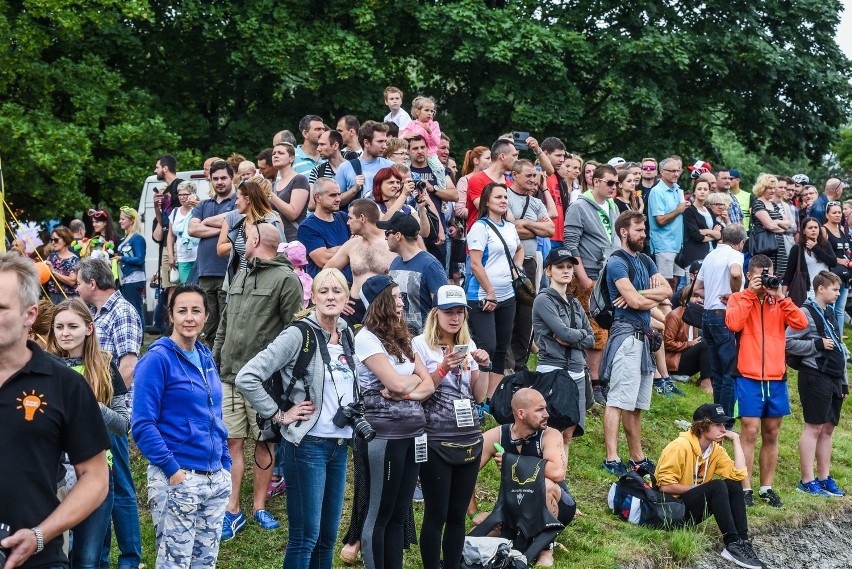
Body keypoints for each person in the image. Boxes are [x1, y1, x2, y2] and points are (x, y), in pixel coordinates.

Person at [235, 268, 357, 569]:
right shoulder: (298, 333)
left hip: (339, 445)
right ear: (312, 297)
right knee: (305, 536)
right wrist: (279, 415)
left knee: (328, 536)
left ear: (346, 297)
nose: (330, 297)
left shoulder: (348, 332)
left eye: (337, 291)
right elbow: (247, 377)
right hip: (307, 446)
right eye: (323, 291)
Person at [0, 253, 110, 569]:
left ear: (30, 314)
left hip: (36, 557)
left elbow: (95, 477)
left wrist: (39, 535)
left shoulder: (65, 384)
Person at [213, 222, 303, 539]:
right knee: (231, 442)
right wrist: (215, 358)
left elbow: (297, 333)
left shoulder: (286, 280)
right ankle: (232, 509)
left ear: (255, 240)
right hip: (227, 376)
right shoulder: (240, 272)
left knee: (263, 443)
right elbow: (225, 320)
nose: (241, 242)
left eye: (245, 237)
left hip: (265, 381)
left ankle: (259, 507)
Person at [132, 284, 231, 568]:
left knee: (204, 564)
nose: (189, 318)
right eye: (182, 311)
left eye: (196, 311)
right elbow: (142, 424)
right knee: (174, 565)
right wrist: (173, 471)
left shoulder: (206, 356)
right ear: (171, 316)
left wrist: (224, 463)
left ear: (206, 316)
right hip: (177, 479)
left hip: (214, 478)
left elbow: (215, 414)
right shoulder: (157, 359)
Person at [355, 275, 434, 569]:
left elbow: (427, 386)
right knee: (381, 512)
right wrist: (409, 384)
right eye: (397, 296)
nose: (402, 302)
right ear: (382, 301)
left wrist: (406, 386)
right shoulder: (366, 338)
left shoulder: (405, 337)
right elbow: (395, 383)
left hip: (413, 432)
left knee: (400, 513)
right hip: (384, 433)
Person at [46, 299, 130, 569]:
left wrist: (93, 408)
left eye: (72, 326)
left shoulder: (104, 367)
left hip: (95, 474)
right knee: (57, 557)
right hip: (52, 475)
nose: (65, 333)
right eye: (59, 327)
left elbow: (124, 424)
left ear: (89, 328)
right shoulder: (45, 369)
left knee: (88, 558)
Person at [411, 285, 489, 569]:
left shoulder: (468, 346)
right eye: (448, 312)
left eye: (459, 312)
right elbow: (419, 391)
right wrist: (443, 367)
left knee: (457, 515)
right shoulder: (419, 345)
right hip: (435, 440)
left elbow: (479, 396)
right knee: (437, 513)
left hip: (469, 438)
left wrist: (485, 365)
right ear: (436, 313)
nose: (454, 318)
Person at [75, 256, 143, 569]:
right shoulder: (94, 313)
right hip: (92, 414)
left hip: (110, 414)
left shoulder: (123, 312)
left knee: (122, 488)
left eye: (78, 282)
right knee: (99, 487)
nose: (74, 287)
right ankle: (101, 558)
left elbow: (127, 368)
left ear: (92, 283)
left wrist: (102, 407)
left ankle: (130, 558)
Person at [725, 254, 808, 508]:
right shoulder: (739, 298)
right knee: (749, 431)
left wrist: (781, 297)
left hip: (776, 376)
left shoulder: (778, 302)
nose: (766, 280)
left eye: (769, 275)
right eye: (761, 275)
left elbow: (801, 323)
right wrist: (750, 294)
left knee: (771, 433)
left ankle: (766, 487)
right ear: (750, 276)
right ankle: (745, 488)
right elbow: (733, 323)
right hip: (748, 376)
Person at [600, 211, 672, 476]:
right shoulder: (617, 262)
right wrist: (639, 297)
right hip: (626, 336)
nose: (644, 235)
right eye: (639, 230)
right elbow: (637, 304)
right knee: (618, 400)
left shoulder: (645, 259)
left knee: (637, 404)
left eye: (644, 230)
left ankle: (637, 458)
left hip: (643, 338)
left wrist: (638, 293)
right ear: (623, 232)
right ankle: (611, 458)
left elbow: (668, 292)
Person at [656, 404, 765, 569]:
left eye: (724, 425)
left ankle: (742, 542)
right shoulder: (679, 447)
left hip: (690, 508)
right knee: (717, 486)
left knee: (732, 483)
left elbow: (739, 475)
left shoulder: (715, 450)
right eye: (718, 425)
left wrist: (736, 439)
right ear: (702, 426)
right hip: (672, 510)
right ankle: (732, 543)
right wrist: (699, 490)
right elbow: (664, 486)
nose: (723, 429)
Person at [474, 388, 575, 567]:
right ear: (521, 413)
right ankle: (517, 538)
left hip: (557, 505)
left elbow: (558, 473)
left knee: (544, 485)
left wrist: (512, 461)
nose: (546, 414)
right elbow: (466, 472)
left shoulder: (550, 435)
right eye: (539, 410)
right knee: (474, 538)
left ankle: (545, 548)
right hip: (515, 506)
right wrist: (473, 512)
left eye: (545, 409)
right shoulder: (498, 435)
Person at [785, 270, 848, 498]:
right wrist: (817, 344)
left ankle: (824, 477)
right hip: (814, 375)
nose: (837, 293)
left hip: (833, 377)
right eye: (834, 289)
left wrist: (843, 383)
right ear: (821, 288)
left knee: (828, 428)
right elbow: (788, 342)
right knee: (814, 427)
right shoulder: (805, 312)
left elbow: (840, 348)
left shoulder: (830, 312)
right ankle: (807, 480)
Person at [563, 164, 621, 405]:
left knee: (607, 327)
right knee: (594, 329)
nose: (614, 187)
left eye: (616, 183)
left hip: (608, 274)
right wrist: (583, 276)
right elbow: (571, 243)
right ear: (595, 181)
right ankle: (593, 381)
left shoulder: (613, 206)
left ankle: (600, 378)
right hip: (587, 274)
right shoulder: (579, 206)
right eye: (609, 182)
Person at [532, 247, 594, 457]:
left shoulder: (575, 302)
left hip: (577, 372)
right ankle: (547, 483)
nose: (566, 271)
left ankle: (560, 485)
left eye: (569, 267)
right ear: (548, 271)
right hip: (553, 371)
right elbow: (562, 333)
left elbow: (591, 337)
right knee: (551, 433)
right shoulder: (543, 300)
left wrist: (573, 337)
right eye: (560, 267)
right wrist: (578, 336)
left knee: (568, 435)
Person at [465, 182, 523, 396]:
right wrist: (490, 291)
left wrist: (516, 269)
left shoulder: (509, 226)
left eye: (505, 197)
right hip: (482, 296)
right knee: (486, 346)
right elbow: (475, 263)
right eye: (498, 197)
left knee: (501, 347)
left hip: (508, 295)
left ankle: (492, 397)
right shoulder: (480, 227)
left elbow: (519, 248)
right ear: (487, 201)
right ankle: (477, 395)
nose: (503, 201)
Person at [694, 224, 746, 419]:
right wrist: (735, 295)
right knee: (729, 372)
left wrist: (714, 295)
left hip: (707, 316)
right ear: (741, 243)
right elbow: (735, 273)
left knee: (716, 372)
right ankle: (725, 420)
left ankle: (716, 418)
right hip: (724, 316)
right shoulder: (735, 255)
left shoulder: (711, 255)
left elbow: (698, 288)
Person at [326, 199, 399, 325]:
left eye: (350, 218)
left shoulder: (392, 244)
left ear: (362, 218)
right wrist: (340, 297)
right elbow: (327, 272)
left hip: (385, 307)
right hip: (354, 309)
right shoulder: (351, 245)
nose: (348, 222)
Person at [189, 160, 237, 346]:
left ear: (231, 178)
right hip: (205, 273)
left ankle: (225, 368)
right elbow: (192, 229)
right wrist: (223, 230)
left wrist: (205, 222)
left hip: (228, 272)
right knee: (208, 327)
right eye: (215, 178)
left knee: (227, 325)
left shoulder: (237, 202)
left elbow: (235, 219)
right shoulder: (203, 204)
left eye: (223, 178)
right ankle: (211, 365)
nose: (219, 182)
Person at [385, 211, 448, 334]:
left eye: (387, 233)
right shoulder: (395, 262)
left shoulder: (430, 265)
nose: (385, 238)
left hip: (424, 340)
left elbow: (441, 307)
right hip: (399, 338)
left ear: (398, 236)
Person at [217, 175, 286, 281]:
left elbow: (282, 253)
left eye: (237, 199)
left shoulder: (272, 221)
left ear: (248, 199)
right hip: (241, 282)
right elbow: (221, 250)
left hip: (265, 281)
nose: (235, 203)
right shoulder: (239, 223)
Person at [297, 178, 353, 281]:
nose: (338, 199)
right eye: (332, 195)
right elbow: (323, 260)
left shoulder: (344, 217)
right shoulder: (307, 227)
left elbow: (361, 245)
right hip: (325, 287)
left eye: (339, 194)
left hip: (349, 286)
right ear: (317, 197)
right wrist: (350, 247)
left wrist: (335, 250)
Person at [648, 156, 687, 290]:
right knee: (664, 284)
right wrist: (679, 210)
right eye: (671, 171)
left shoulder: (677, 188)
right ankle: (663, 311)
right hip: (663, 244)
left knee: (676, 282)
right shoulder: (657, 191)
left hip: (678, 244)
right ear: (662, 171)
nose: (676, 174)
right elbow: (660, 220)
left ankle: (672, 310)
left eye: (677, 170)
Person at [664, 285, 711, 393]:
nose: (699, 300)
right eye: (695, 296)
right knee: (705, 345)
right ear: (685, 298)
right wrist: (689, 344)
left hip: (685, 358)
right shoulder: (675, 315)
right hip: (674, 364)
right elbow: (667, 343)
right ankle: (706, 384)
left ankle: (706, 379)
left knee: (712, 343)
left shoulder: (694, 316)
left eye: (702, 297)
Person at [335, 121, 393, 207]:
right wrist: (354, 189)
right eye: (380, 142)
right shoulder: (345, 167)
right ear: (366, 143)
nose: (384, 146)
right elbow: (336, 202)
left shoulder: (391, 166)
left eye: (385, 141)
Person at [781, 217, 836, 305]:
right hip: (808, 292)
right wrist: (782, 296)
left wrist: (816, 248)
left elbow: (833, 262)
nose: (813, 230)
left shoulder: (825, 244)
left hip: (827, 291)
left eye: (816, 227)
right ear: (803, 231)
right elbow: (789, 273)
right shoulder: (797, 248)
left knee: (827, 318)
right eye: (810, 228)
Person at [750, 174, 790, 279]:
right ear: (762, 188)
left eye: (773, 188)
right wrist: (778, 224)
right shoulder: (758, 204)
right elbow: (769, 225)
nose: (772, 191)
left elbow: (788, 224)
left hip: (780, 248)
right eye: (769, 188)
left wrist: (775, 222)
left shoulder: (774, 205)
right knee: (767, 275)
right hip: (766, 247)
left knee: (779, 275)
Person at [270, 142, 311, 242]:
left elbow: (293, 214)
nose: (276, 155)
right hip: (277, 239)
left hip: (295, 238)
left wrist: (269, 194)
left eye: (280, 153)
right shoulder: (273, 185)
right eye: (274, 153)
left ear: (291, 158)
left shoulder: (299, 179)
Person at [821, 201, 852, 325]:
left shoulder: (842, 230)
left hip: (845, 275)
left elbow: (846, 252)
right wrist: (840, 261)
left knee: (840, 309)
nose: (838, 215)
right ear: (827, 214)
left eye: (839, 212)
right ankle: (831, 338)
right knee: (831, 308)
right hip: (832, 273)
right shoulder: (823, 230)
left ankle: (838, 341)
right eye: (834, 212)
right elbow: (823, 254)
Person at [116, 206, 147, 327]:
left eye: (123, 219)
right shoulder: (126, 238)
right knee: (129, 310)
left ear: (132, 221)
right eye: (120, 219)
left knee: (135, 310)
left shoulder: (137, 238)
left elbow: (140, 259)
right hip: (125, 279)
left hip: (134, 279)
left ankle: (139, 338)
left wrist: (122, 258)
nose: (120, 221)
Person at [681, 178, 721, 268]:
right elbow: (697, 236)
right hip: (695, 256)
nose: (702, 192)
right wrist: (713, 235)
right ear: (694, 192)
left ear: (709, 192)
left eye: (705, 189)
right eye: (699, 189)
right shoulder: (689, 211)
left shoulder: (710, 211)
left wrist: (707, 231)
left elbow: (720, 234)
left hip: (712, 254)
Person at [167, 181, 201, 284]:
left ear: (193, 194)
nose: (182, 197)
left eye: (185, 194)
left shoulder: (199, 210)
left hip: (198, 256)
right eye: (180, 195)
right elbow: (171, 236)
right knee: (186, 287)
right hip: (183, 257)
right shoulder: (175, 212)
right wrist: (171, 255)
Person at [44, 225, 79, 303]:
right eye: (51, 240)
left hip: (68, 299)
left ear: (65, 240)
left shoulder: (74, 259)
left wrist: (54, 272)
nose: (53, 243)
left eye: (56, 240)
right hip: (52, 297)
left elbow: (72, 281)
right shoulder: (51, 256)